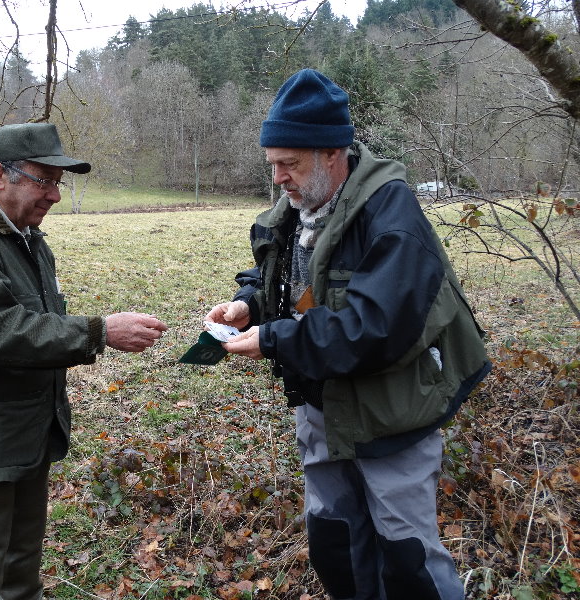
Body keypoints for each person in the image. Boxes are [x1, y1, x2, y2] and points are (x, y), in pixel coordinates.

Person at [205, 69, 490, 600]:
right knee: (336, 547)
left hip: (391, 418)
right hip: (323, 412)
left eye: (289, 164)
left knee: (410, 563)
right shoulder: (298, 208)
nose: (279, 179)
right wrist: (249, 304)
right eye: (274, 165)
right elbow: (292, 284)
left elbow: (375, 328)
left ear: (333, 153)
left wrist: (272, 340)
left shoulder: (391, 215)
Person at [0, 122, 167, 600]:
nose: (54, 196)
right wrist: (99, 330)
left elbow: (35, 324)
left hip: (26, 430)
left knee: (20, 567)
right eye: (42, 180)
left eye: (57, 183)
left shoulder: (24, 237)